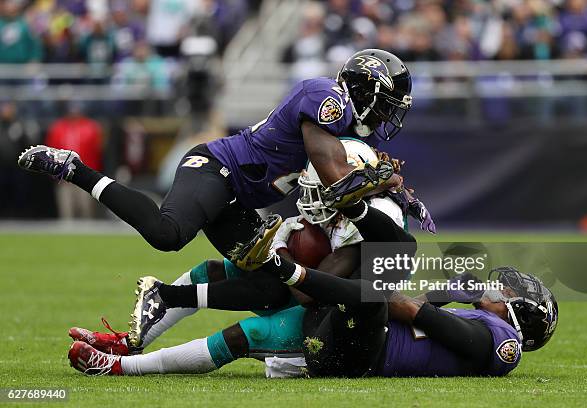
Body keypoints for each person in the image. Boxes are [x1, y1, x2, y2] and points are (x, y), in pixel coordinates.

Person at [18, 48, 412, 277]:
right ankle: (75, 168)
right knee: (167, 234)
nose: (386, 116)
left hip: (241, 197)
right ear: (367, 89)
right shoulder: (327, 98)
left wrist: (386, 181)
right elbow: (338, 182)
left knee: (268, 283)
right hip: (218, 169)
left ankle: (165, 298)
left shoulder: (352, 126)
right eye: (387, 104)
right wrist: (379, 181)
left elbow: (351, 179)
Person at [66, 203, 557, 377]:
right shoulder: (484, 323)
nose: (502, 288)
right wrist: (446, 293)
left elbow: (417, 314)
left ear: (520, 316)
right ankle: (127, 345)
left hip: (364, 351)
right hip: (358, 332)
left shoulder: (500, 343)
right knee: (222, 283)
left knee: (369, 287)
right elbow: (422, 312)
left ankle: (120, 367)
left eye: (511, 291)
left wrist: (434, 299)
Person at [45, 102, 103, 219]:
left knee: (86, 209)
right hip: (63, 175)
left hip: (85, 174)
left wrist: (94, 174)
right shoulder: (58, 128)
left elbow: (97, 152)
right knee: (66, 210)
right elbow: (50, 151)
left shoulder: (91, 127)